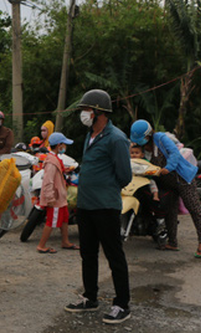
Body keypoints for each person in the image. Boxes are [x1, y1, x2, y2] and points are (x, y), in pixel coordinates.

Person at [64, 89, 133, 325]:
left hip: (105, 207)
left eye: (86, 110)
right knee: (88, 254)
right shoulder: (90, 136)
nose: (83, 114)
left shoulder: (116, 138)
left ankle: (122, 304)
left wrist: (103, 186)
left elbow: (124, 175)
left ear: (98, 112)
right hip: (86, 206)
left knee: (114, 255)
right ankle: (90, 298)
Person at [130, 119, 201, 258]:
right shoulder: (140, 149)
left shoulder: (160, 138)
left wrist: (168, 168)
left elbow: (174, 154)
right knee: (170, 210)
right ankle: (172, 242)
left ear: (148, 135)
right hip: (166, 183)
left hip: (183, 179)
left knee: (194, 208)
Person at [36, 132, 80, 254]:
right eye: (64, 144)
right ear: (59, 145)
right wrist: (50, 198)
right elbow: (48, 182)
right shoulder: (51, 162)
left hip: (60, 196)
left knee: (65, 218)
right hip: (55, 197)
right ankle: (41, 245)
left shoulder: (55, 159)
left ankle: (65, 241)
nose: (65, 147)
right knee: (51, 220)